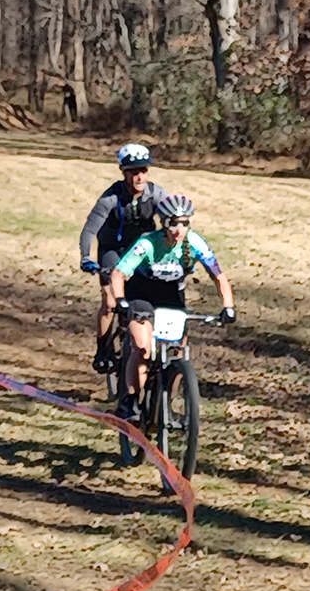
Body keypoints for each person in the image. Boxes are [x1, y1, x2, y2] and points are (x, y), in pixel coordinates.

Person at [109, 194, 235, 421]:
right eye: (173, 223)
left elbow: (219, 276)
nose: (179, 229)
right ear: (163, 223)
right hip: (141, 293)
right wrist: (120, 300)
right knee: (143, 348)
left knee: (179, 351)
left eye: (185, 223)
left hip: (171, 296)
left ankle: (166, 404)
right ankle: (129, 400)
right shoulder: (147, 243)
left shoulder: (195, 244)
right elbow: (118, 273)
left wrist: (228, 306)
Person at [79, 142, 169, 372]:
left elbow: (173, 222)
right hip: (113, 250)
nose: (140, 177)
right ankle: (102, 349)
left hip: (141, 252)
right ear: (123, 172)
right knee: (110, 302)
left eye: (144, 170)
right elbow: (90, 230)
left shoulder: (157, 194)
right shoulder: (110, 198)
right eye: (133, 171)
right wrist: (86, 257)